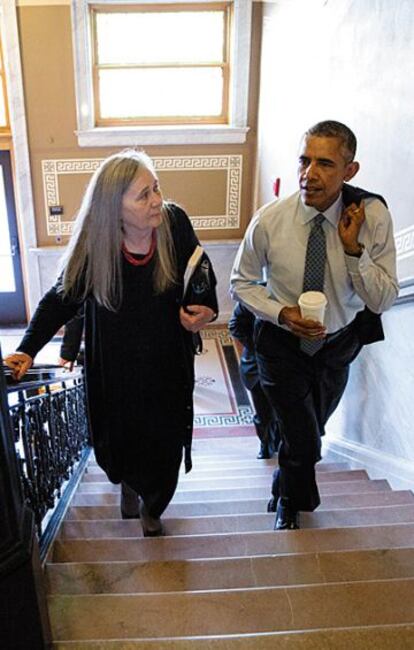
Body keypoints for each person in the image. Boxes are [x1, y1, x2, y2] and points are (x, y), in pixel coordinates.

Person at [5, 149, 218, 537]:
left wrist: (207, 309)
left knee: (165, 440)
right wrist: (27, 349)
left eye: (156, 189)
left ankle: (153, 506)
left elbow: (200, 271)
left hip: (168, 360)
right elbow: (59, 300)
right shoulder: (96, 246)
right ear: (113, 208)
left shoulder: (174, 222)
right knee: (122, 436)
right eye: (143, 195)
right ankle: (129, 483)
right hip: (115, 365)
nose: (157, 201)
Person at [230, 120, 398, 530]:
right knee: (304, 440)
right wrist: (281, 313)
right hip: (281, 347)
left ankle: (283, 479)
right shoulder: (270, 221)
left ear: (349, 171)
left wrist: (354, 250)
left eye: (324, 163)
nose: (309, 173)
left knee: (310, 429)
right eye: (304, 160)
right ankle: (292, 503)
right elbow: (241, 282)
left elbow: (383, 298)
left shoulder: (371, 218)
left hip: (337, 347)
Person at [229, 301, 280, 459]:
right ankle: (266, 445)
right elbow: (235, 325)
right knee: (263, 412)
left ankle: (279, 441)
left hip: (287, 368)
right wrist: (257, 346)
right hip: (256, 368)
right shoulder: (254, 297)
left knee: (283, 410)